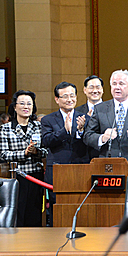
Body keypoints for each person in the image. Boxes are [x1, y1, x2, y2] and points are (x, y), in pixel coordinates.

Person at [41, 82, 90, 226]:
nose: (70, 99)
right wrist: (65, 131)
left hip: (80, 167)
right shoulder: (48, 120)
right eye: (65, 96)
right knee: (56, 205)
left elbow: (90, 142)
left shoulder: (85, 118)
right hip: (57, 169)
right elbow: (46, 141)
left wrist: (80, 131)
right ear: (57, 99)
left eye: (72, 95)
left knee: (80, 203)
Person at [0, 90, 48, 227]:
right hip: (17, 176)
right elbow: (3, 153)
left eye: (29, 104)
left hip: (37, 176)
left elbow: (46, 151)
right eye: (22, 103)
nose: (26, 107)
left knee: (36, 211)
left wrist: (36, 151)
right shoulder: (6, 128)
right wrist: (24, 153)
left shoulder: (39, 126)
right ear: (15, 107)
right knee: (18, 212)